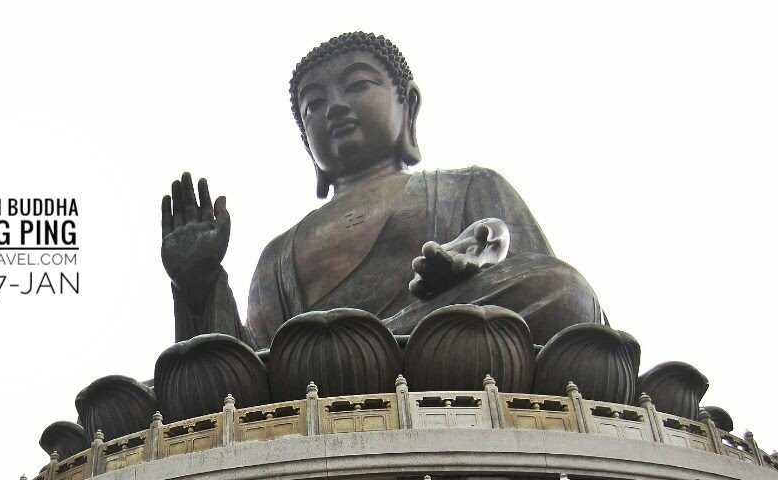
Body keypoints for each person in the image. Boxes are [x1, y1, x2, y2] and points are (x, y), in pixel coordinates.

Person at [160, 32, 602, 347]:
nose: (333, 106)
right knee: (167, 383)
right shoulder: (279, 255)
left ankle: (367, 347)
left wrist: (475, 266)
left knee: (565, 290)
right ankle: (364, 350)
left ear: (407, 104)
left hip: (439, 339)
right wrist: (198, 282)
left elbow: (531, 274)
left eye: (357, 85)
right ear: (304, 141)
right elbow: (244, 362)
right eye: (313, 104)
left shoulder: (468, 186)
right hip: (318, 368)